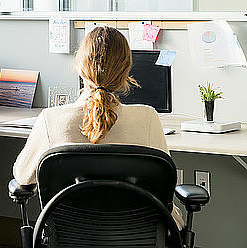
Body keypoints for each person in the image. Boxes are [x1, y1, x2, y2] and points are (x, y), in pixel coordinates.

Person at [12, 26, 184, 229]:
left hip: (71, 235)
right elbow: (165, 184)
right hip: (140, 234)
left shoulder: (52, 119)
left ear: (80, 66)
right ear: (126, 70)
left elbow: (23, 178)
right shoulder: (148, 118)